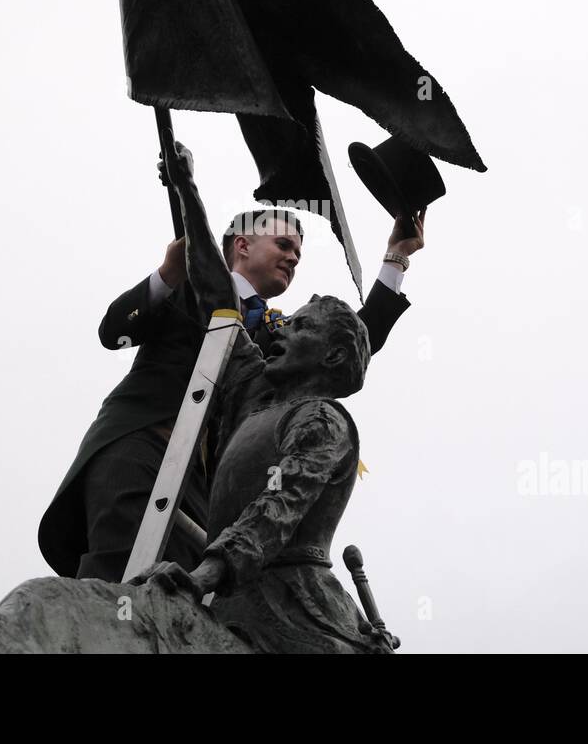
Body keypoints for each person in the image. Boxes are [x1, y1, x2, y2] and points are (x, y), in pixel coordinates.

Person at [37, 148, 425, 582]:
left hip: (205, 488)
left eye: (298, 252)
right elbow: (113, 331)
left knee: (179, 608)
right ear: (242, 244)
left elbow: (347, 340)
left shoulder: (278, 339)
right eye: (283, 244)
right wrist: (167, 274)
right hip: (143, 448)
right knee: (118, 584)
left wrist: (397, 258)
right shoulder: (186, 287)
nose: (294, 257)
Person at [130, 140, 394, 653]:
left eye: (300, 326)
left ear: (332, 358)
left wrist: (208, 572)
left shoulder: (322, 420)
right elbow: (213, 289)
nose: (282, 329)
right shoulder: (254, 386)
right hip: (232, 598)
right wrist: (187, 189)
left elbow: (280, 505)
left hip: (299, 612)